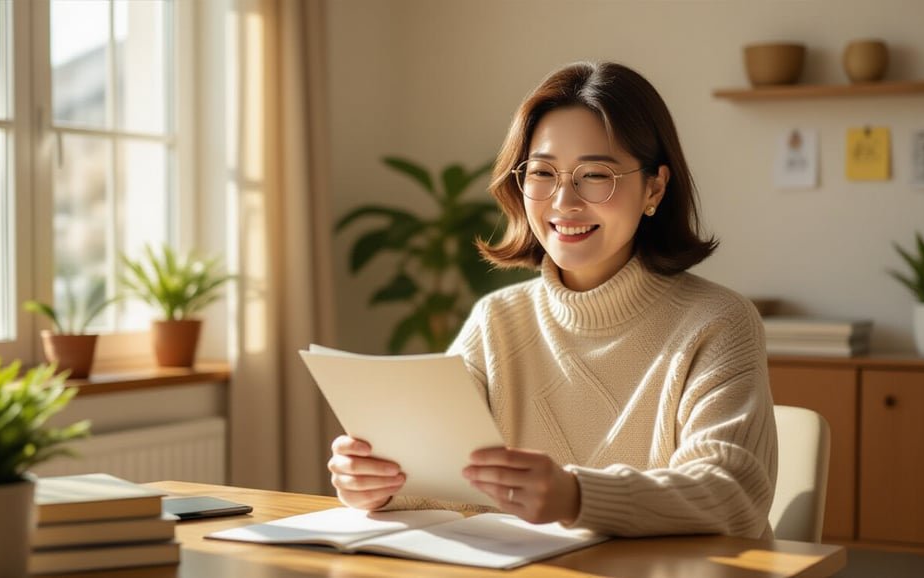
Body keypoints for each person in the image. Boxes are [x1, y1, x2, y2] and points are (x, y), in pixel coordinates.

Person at [328, 61, 777, 539]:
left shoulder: (718, 322)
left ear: (655, 187)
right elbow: (442, 478)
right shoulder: (495, 321)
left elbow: (733, 491)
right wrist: (377, 483)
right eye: (542, 172)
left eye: (595, 174)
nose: (564, 201)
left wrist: (577, 497)